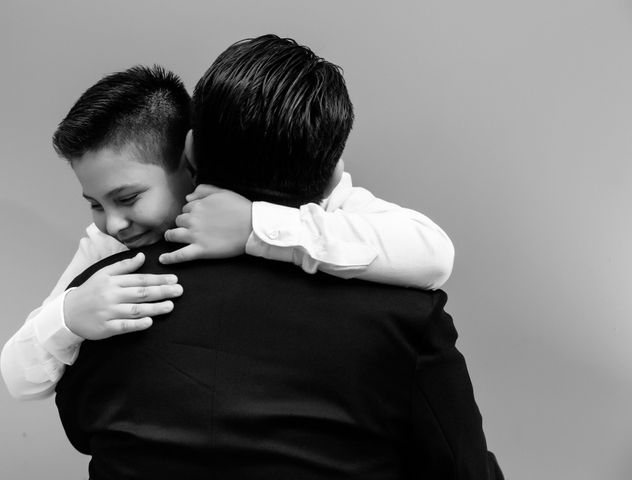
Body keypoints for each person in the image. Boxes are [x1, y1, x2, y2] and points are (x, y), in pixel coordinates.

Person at [55, 34, 503, 479]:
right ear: (334, 177)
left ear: (188, 151)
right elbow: (463, 469)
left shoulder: (106, 295)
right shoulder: (406, 316)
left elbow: (80, 427)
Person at [0, 61, 454, 400]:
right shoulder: (107, 244)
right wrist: (68, 316)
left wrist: (258, 225)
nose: (112, 222)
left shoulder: (290, 195)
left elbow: (432, 255)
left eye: (128, 198)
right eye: (95, 204)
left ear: (190, 156)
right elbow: (19, 378)